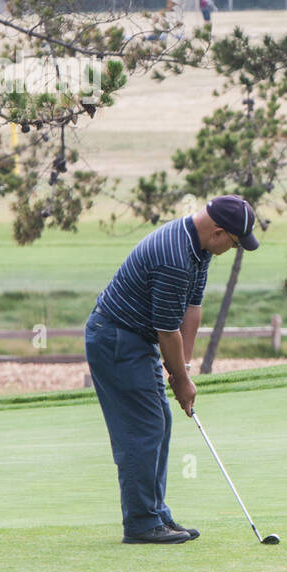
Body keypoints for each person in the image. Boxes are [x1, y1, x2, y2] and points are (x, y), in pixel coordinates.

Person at [85, 195, 260, 544]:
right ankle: (141, 523)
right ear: (219, 232)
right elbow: (167, 331)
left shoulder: (200, 250)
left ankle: (155, 515)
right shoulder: (175, 258)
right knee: (144, 427)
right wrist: (179, 379)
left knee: (158, 421)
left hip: (135, 338)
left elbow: (191, 311)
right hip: (116, 338)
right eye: (235, 243)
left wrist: (186, 370)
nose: (233, 249)